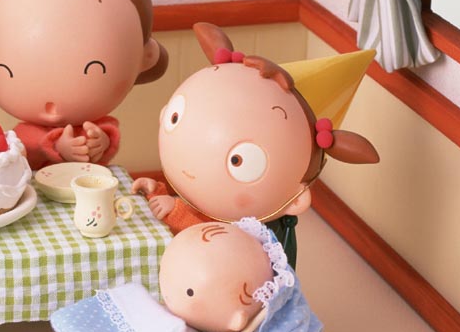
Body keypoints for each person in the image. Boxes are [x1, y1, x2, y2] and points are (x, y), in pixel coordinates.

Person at [132, 22, 379, 242]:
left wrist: (174, 210)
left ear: (296, 200)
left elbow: (209, 239)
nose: (196, 158)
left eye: (239, 161)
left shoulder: (254, 235)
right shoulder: (205, 202)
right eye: (175, 118)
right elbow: (192, 207)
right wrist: (157, 192)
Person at [0, 0, 168, 170]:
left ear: (146, 57)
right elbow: (26, 147)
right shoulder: (22, 133)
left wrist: (101, 142)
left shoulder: (96, 125)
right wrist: (58, 146)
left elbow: (108, 138)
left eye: (93, 68)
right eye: (6, 70)